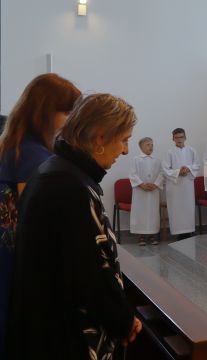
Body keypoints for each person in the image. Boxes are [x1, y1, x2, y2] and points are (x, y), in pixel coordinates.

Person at [6, 94, 142, 359]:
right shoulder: (67, 185)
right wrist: (122, 320)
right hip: (63, 336)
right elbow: (86, 273)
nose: (125, 150)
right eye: (124, 140)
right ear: (100, 138)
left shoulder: (58, 171)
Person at [0, 73, 81, 357]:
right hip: (16, 260)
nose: (71, 119)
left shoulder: (16, 144)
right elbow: (35, 222)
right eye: (67, 111)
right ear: (46, 112)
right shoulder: (33, 155)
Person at [163, 128, 199, 240]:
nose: (179, 139)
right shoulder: (169, 152)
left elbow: (197, 165)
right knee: (177, 208)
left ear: (185, 138)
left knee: (188, 208)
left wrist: (188, 169)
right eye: (177, 137)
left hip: (187, 185)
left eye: (181, 137)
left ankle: (189, 231)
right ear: (173, 139)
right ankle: (179, 233)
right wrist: (179, 172)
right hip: (175, 186)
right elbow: (165, 169)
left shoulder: (192, 150)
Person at [129, 137, 163, 245]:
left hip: (153, 191)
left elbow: (162, 173)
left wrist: (156, 184)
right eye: (148, 145)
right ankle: (141, 236)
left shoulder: (157, 160)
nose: (151, 147)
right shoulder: (136, 159)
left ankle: (153, 235)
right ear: (141, 147)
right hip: (140, 191)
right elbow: (132, 174)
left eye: (152, 145)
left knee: (153, 212)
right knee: (141, 212)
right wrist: (141, 184)